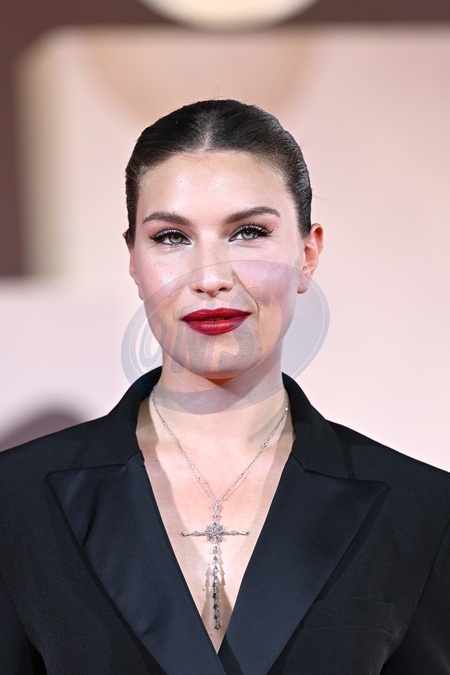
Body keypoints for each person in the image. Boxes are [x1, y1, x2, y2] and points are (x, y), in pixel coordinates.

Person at [0, 99, 449, 674]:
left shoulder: (421, 511)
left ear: (308, 252)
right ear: (133, 260)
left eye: (249, 232)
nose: (210, 277)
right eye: (171, 238)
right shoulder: (17, 501)